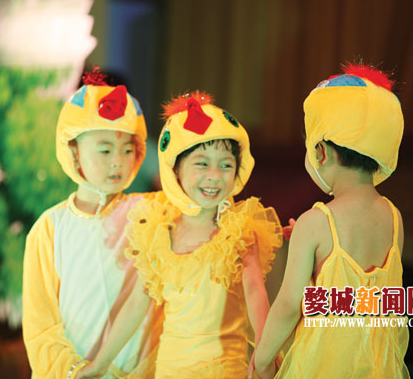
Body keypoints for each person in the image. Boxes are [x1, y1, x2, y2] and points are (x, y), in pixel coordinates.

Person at [80, 91, 283, 378]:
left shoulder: (238, 231)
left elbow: (256, 292)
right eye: (202, 163)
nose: (214, 175)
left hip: (225, 371)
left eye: (226, 165)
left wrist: (264, 354)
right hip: (169, 370)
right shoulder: (159, 232)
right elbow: (136, 304)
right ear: (175, 169)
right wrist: (100, 363)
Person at [254, 63, 410, 379]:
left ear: (321, 152)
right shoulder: (394, 218)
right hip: (379, 368)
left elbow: (289, 304)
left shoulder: (316, 222)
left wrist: (262, 359)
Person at [22, 69, 158, 379]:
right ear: (73, 150)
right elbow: (41, 325)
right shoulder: (50, 228)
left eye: (127, 150)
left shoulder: (150, 214)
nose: (118, 161)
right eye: (105, 149)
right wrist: (75, 371)